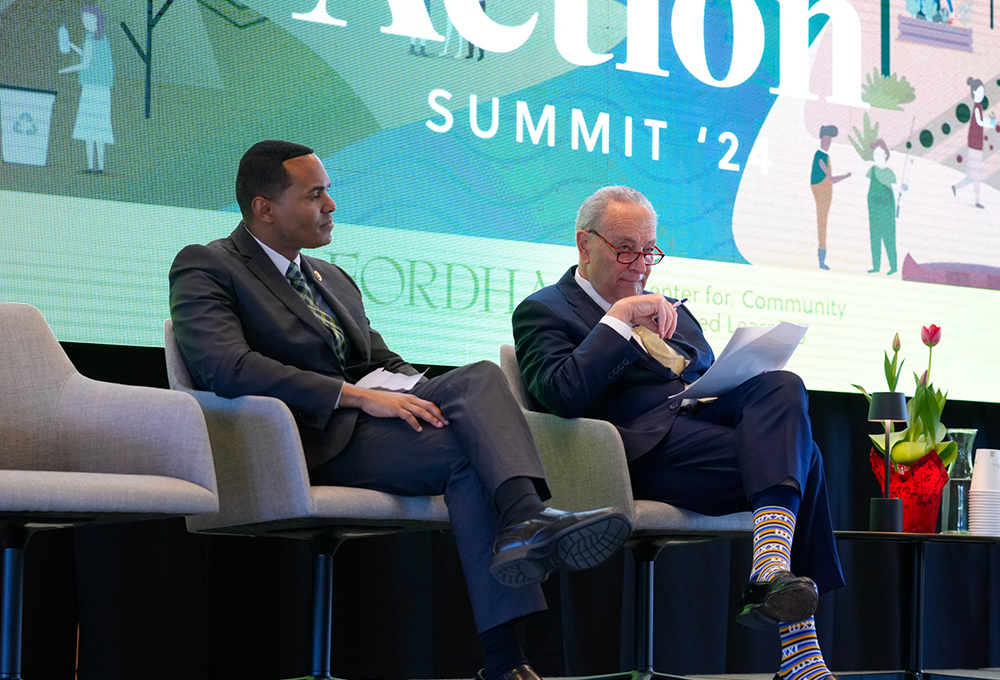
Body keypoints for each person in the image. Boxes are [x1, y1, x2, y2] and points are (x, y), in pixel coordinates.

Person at [169, 141, 632, 680]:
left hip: (367, 431)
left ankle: (511, 627)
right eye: (315, 194)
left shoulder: (330, 277)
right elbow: (224, 366)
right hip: (299, 441)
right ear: (264, 207)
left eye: (330, 191)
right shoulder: (208, 264)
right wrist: (356, 395)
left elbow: (380, 360)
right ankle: (522, 552)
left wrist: (430, 397)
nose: (331, 205)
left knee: (475, 399)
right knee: (472, 437)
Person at [512, 186, 845, 680]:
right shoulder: (544, 311)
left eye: (649, 250)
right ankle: (800, 650)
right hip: (634, 453)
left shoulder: (672, 309)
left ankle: (770, 573)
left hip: (697, 429)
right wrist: (618, 320)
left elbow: (702, 370)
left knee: (781, 384)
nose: (640, 264)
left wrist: (724, 380)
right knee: (806, 458)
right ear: (585, 245)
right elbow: (560, 394)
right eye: (626, 249)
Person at [58, 5, 114, 173]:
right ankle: (95, 166)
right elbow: (88, 55)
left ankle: (94, 166)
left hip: (93, 87)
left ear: (97, 20)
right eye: (84, 19)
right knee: (97, 127)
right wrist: (72, 45)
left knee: (91, 126)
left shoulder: (92, 38)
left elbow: (86, 63)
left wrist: (64, 70)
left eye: (88, 19)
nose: (85, 22)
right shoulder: (100, 38)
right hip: (102, 87)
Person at [810, 125, 851, 270]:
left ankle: (822, 260)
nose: (828, 143)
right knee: (822, 226)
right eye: (826, 140)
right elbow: (831, 179)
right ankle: (821, 261)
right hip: (822, 195)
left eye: (830, 141)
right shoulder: (820, 157)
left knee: (823, 226)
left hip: (826, 196)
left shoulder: (825, 157)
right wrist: (846, 176)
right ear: (822, 140)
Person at [866, 140, 902, 275]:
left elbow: (894, 192)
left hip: (887, 213)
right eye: (875, 153)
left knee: (889, 239)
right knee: (875, 239)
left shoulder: (889, 173)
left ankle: (893, 267)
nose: (876, 155)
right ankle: (876, 266)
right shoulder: (872, 171)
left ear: (885, 155)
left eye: (879, 153)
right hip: (874, 213)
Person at [952, 77, 988, 209]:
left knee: (971, 176)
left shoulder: (978, 107)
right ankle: (977, 201)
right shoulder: (977, 108)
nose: (982, 94)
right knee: (976, 175)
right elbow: (979, 122)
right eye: (980, 92)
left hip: (975, 144)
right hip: (975, 145)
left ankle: (955, 187)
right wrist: (991, 123)